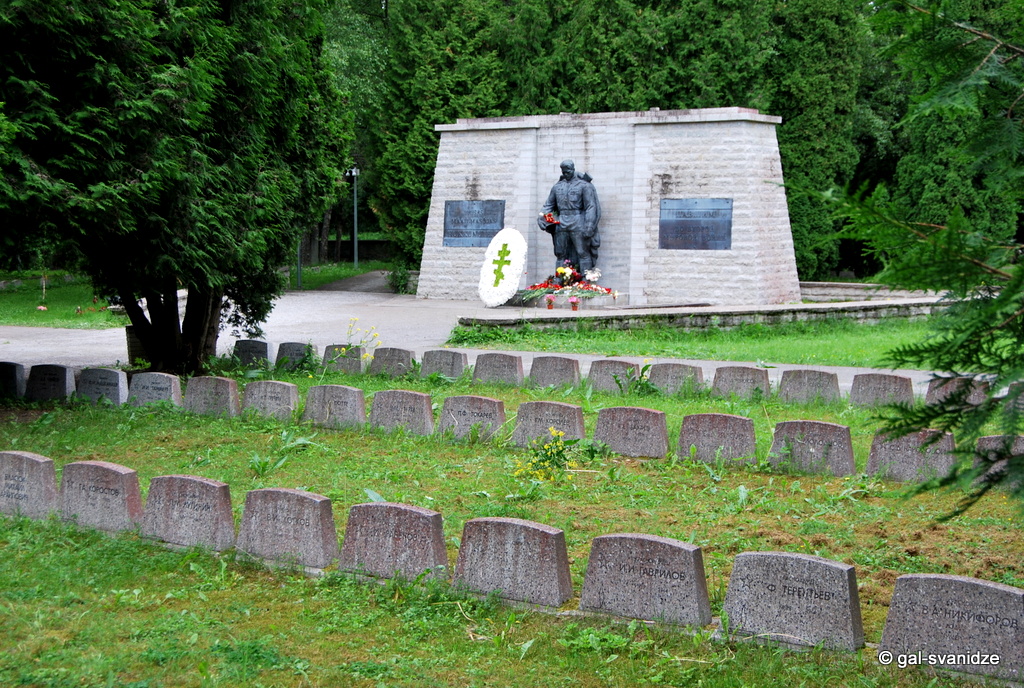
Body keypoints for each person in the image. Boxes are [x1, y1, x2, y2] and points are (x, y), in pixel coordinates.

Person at [536, 160, 601, 273]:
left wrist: (589, 225)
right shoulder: (557, 187)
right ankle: (560, 279)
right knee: (560, 253)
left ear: (573, 169)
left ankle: (586, 280)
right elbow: (548, 205)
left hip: (578, 220)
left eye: (568, 171)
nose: (566, 174)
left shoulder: (584, 186)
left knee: (582, 252)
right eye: (564, 172)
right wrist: (541, 216)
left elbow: (591, 206)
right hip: (561, 222)